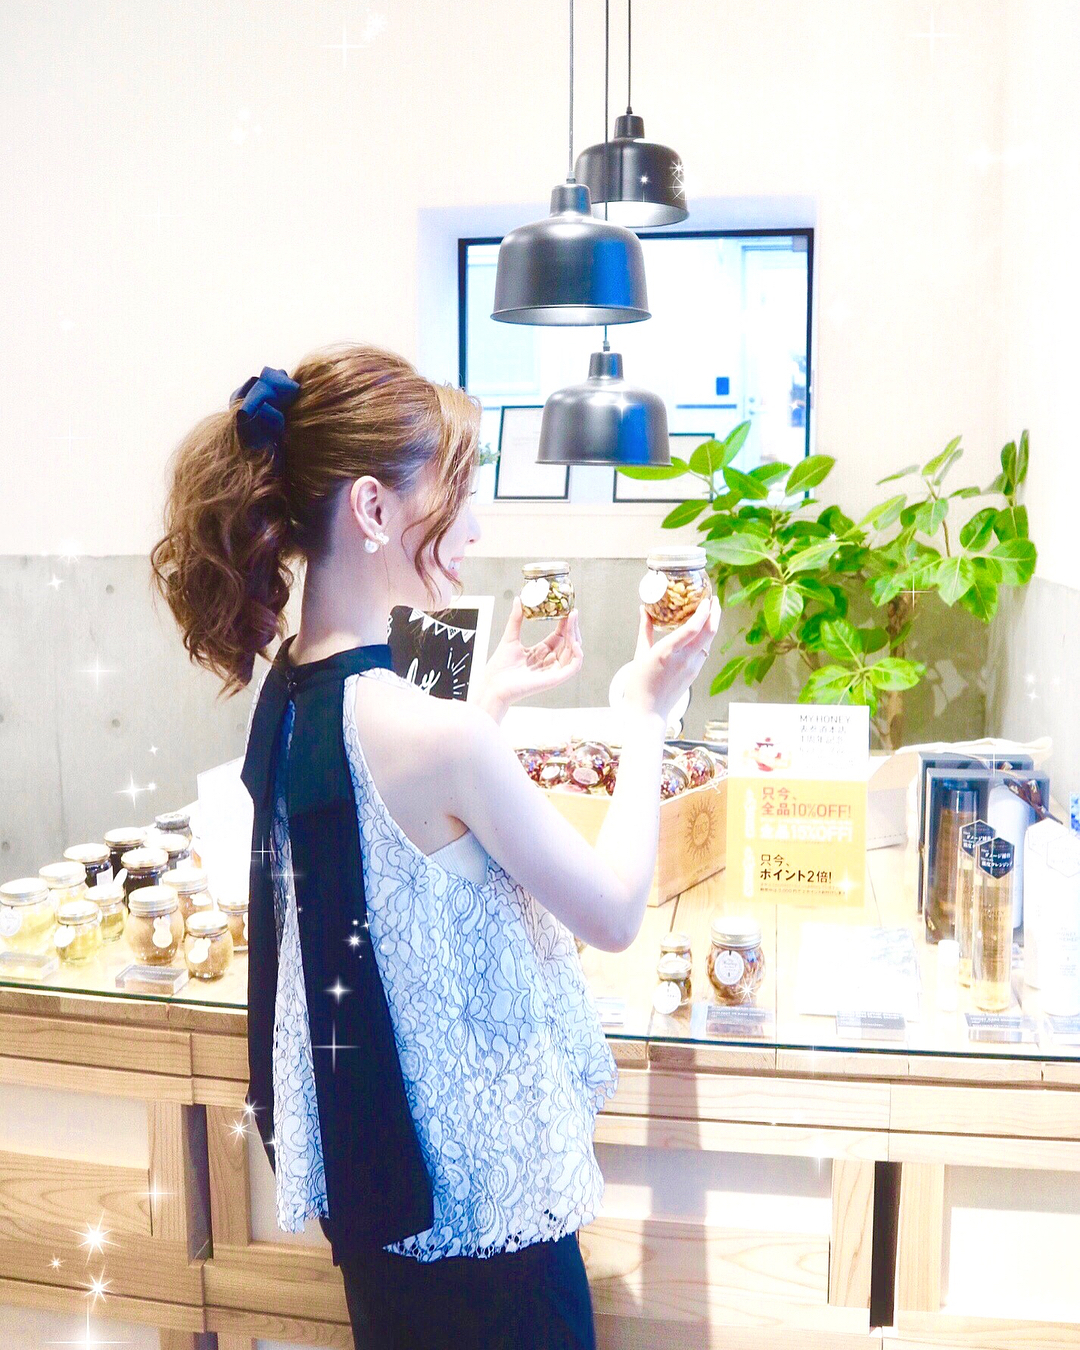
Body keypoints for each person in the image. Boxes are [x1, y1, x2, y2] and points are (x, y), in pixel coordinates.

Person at [150, 342, 719, 1350]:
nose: (477, 527)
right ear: (373, 509)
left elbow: (377, 843)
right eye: (460, 493)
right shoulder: (431, 735)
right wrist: (643, 715)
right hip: (484, 1223)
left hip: (383, 1201)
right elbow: (614, 912)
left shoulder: (292, 689)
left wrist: (487, 698)